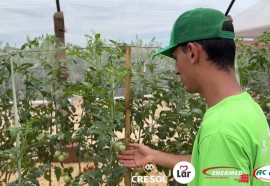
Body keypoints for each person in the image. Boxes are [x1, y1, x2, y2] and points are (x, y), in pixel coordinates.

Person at [119, 8, 270, 186]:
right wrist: (155, 156)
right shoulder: (246, 106)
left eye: (176, 58)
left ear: (192, 52)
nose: (176, 70)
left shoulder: (220, 129)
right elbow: (216, 165)